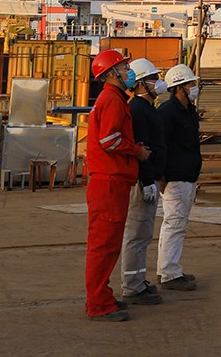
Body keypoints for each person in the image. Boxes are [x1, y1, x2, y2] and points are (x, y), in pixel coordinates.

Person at [85, 49, 150, 322]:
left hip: (111, 181)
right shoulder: (112, 100)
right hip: (109, 183)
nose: (129, 72)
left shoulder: (112, 99)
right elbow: (109, 140)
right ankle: (98, 304)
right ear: (111, 74)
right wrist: (137, 151)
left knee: (108, 245)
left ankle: (103, 295)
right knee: (104, 246)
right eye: (124, 69)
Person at [118, 58, 167, 306]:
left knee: (143, 235)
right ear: (140, 84)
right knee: (136, 235)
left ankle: (137, 282)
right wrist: (147, 180)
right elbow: (141, 149)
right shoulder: (137, 110)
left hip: (150, 179)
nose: (158, 82)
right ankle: (132, 287)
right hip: (142, 182)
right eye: (153, 78)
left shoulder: (148, 108)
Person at [157, 64, 203, 290]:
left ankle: (168, 268)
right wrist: (161, 176)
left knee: (177, 225)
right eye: (190, 84)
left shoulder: (188, 111)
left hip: (187, 176)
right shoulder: (167, 113)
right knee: (174, 225)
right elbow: (160, 145)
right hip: (174, 179)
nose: (194, 87)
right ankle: (169, 274)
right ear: (179, 88)